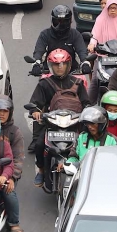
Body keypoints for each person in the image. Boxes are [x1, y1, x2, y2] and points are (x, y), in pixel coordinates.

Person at [31, 49, 90, 188]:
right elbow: (35, 104)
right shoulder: (44, 84)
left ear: (69, 65)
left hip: (75, 124)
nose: (60, 67)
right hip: (52, 124)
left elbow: (86, 102)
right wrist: (36, 112)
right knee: (39, 145)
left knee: (85, 145)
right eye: (56, 64)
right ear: (51, 66)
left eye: (63, 64)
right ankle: (41, 169)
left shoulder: (78, 82)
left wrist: (87, 111)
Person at [32, 5, 89, 77]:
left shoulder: (75, 34)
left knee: (83, 86)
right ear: (52, 20)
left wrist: (85, 63)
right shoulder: (45, 34)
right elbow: (39, 51)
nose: (60, 24)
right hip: (49, 73)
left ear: (69, 21)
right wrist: (36, 63)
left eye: (64, 22)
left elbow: (82, 51)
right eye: (57, 21)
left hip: (72, 73)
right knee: (41, 87)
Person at [0, 96, 24, 194]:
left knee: (10, 197)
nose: (2, 114)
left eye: (5, 111)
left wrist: (12, 178)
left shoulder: (15, 132)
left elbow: (19, 158)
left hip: (6, 176)